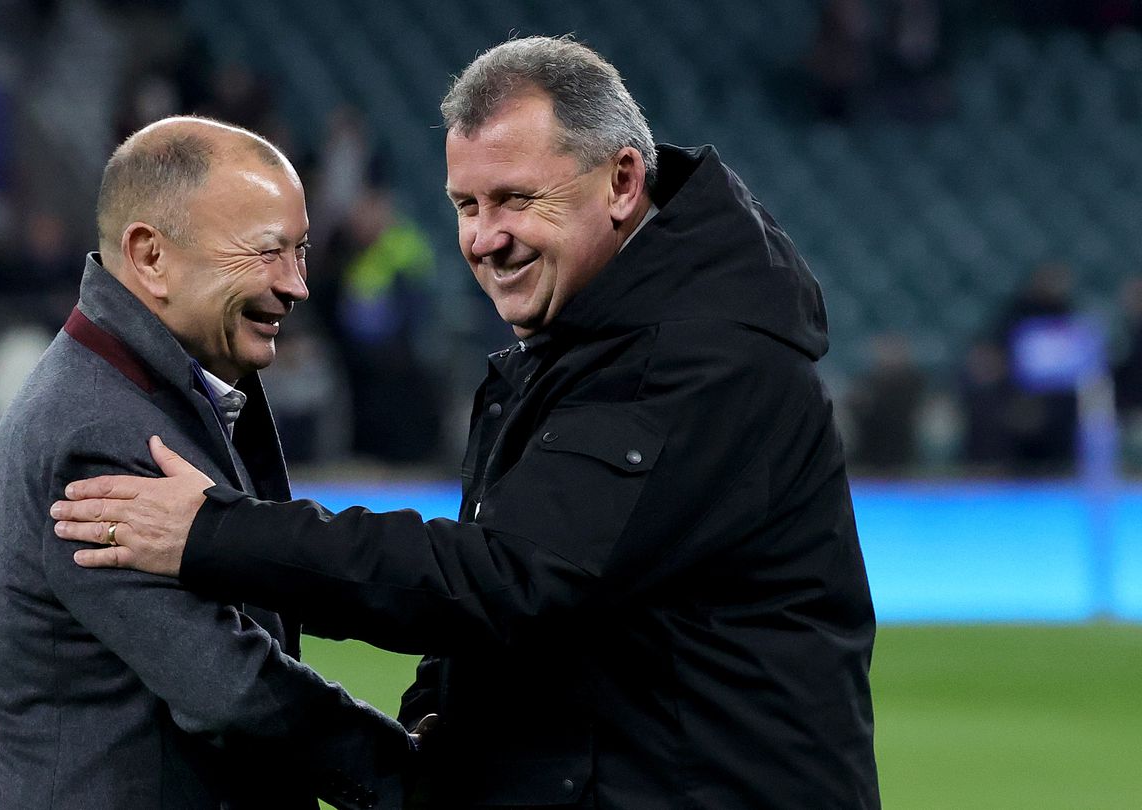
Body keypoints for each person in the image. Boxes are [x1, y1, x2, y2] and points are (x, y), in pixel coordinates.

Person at [52, 38, 880, 809]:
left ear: (624, 183)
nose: (486, 238)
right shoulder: (580, 344)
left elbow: (510, 580)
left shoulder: (698, 358)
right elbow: (540, 597)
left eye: (517, 199)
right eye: (465, 204)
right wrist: (440, 711)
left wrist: (218, 536)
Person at [0, 116, 410, 810]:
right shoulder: (102, 429)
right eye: (267, 252)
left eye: (301, 252)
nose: (297, 285)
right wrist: (411, 780)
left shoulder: (155, 388)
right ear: (150, 257)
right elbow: (228, 687)